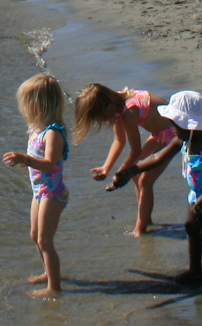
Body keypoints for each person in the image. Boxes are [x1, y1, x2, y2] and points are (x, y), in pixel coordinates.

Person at [111, 91, 202, 291]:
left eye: (175, 124)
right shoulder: (182, 140)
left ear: (189, 124)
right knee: (191, 227)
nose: (172, 129)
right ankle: (195, 272)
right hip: (197, 195)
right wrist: (132, 170)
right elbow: (157, 158)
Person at [75, 84, 179, 237]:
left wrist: (121, 173)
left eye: (102, 118)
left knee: (145, 180)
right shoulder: (117, 104)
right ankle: (145, 220)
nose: (104, 121)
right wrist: (106, 167)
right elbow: (119, 141)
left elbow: (135, 150)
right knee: (136, 174)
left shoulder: (129, 112)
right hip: (160, 133)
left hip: (174, 133)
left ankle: (140, 229)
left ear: (109, 107)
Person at [1, 73, 68, 298]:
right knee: (35, 235)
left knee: (45, 240)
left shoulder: (53, 133)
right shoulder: (37, 129)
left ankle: (54, 288)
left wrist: (26, 159)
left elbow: (50, 164)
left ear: (40, 104)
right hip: (39, 191)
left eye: (27, 103)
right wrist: (28, 162)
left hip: (53, 193)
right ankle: (48, 272)